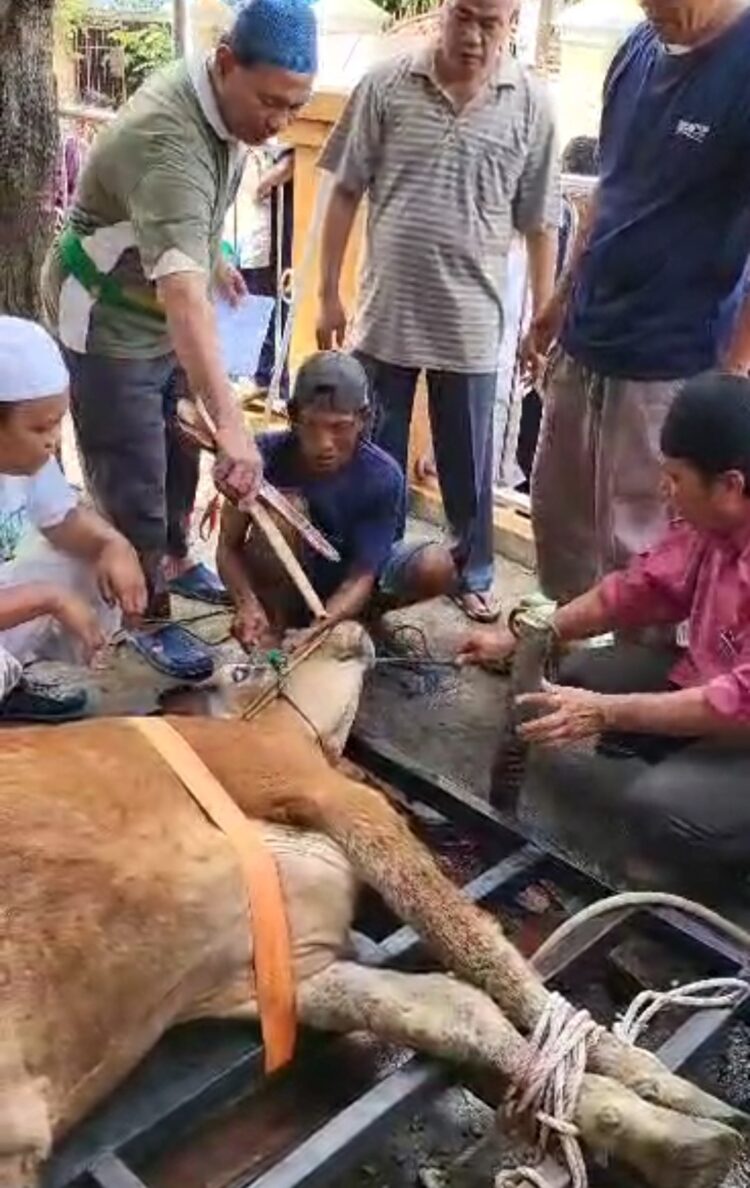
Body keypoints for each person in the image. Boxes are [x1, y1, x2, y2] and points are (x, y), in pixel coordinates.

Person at [42, 0, 317, 681]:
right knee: (130, 461)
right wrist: (236, 428)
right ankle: (144, 613)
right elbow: (183, 299)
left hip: (156, 305)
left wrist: (213, 257)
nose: (279, 122)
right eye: (271, 103)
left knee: (173, 442)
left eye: (296, 106)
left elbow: (184, 227)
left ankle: (172, 555)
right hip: (105, 312)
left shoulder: (220, 102)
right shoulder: (170, 139)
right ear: (226, 62)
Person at [315, 0, 560, 625]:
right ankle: (374, 569)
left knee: (469, 463)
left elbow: (540, 222)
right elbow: (343, 190)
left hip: (472, 324)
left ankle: (472, 572)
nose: (475, 36)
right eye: (465, 16)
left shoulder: (531, 105)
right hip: (386, 316)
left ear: (512, 26)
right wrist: (326, 293)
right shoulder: (385, 85)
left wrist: (544, 312)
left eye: (492, 23)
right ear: (442, 13)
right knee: (377, 460)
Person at [461, 373, 750, 889]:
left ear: (730, 485)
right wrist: (530, 634)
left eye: (677, 478)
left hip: (740, 715)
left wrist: (606, 713)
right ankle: (694, 768)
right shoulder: (717, 525)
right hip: (716, 691)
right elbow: (638, 589)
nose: (666, 490)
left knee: (656, 811)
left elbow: (737, 702)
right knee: (583, 675)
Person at [530, 0, 750, 606]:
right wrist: (559, 300)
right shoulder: (635, 50)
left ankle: (637, 682)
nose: (650, 5)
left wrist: (732, 375)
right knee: (561, 519)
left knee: (647, 545)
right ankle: (562, 656)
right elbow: (610, 189)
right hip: (588, 333)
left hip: (672, 360)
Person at [217, 352, 457, 649]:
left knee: (436, 564)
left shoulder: (383, 476)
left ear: (364, 418)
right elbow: (228, 547)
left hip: (351, 579)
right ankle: (277, 623)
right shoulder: (258, 458)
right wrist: (246, 603)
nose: (324, 444)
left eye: (340, 427)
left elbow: (363, 575)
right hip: (285, 581)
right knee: (281, 510)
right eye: (312, 425)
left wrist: (323, 624)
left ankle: (354, 618)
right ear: (292, 414)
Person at [0, 317, 146, 722]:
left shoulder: (28, 460)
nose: (55, 440)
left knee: (89, 562)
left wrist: (114, 545)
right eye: (41, 428)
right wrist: (50, 598)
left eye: (58, 423)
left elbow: (64, 522)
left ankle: (39, 675)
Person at [225, 144, 295, 405]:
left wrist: (270, 178)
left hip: (269, 236)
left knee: (271, 310)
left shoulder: (282, 135)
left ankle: (270, 386)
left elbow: (290, 162)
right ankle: (248, 381)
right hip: (241, 232)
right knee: (243, 307)